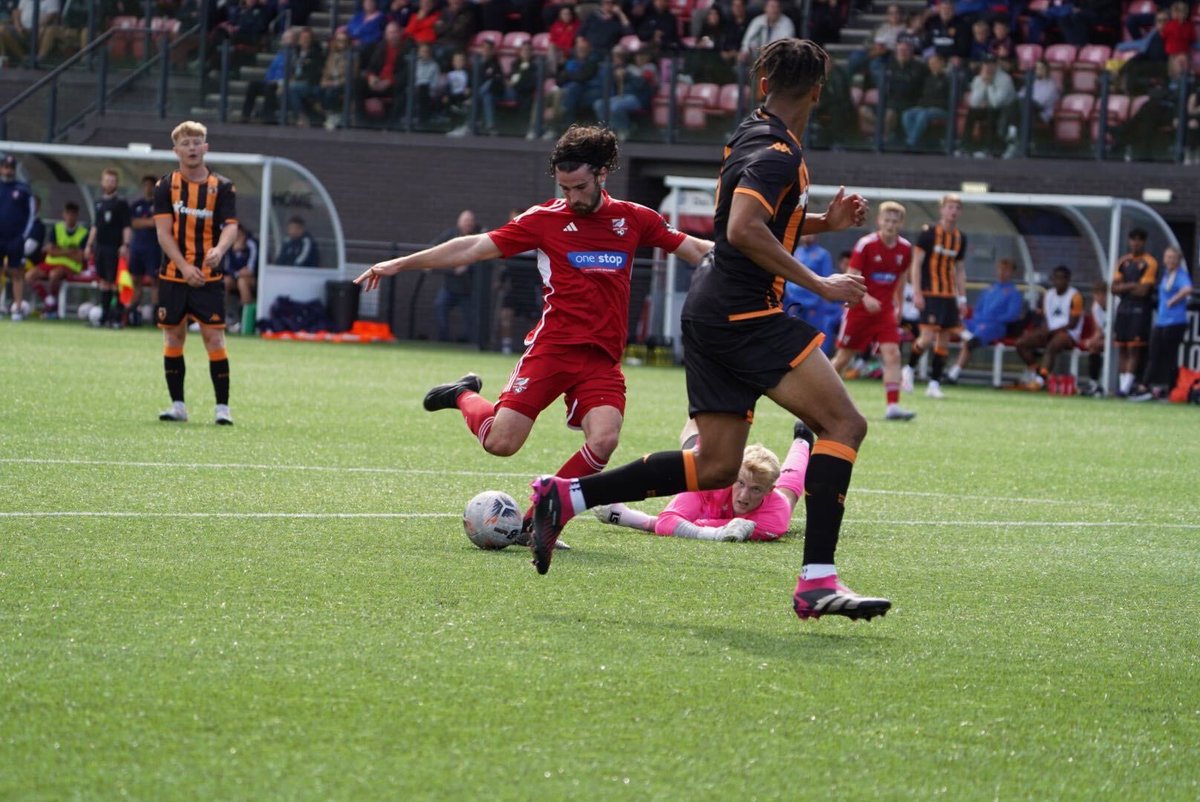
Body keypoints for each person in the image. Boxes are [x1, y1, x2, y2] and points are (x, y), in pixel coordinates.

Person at [526, 41, 888, 624]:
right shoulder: (777, 153)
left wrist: (823, 222)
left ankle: (566, 495)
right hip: (743, 312)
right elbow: (745, 230)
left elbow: (749, 222)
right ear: (819, 91)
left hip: (711, 308)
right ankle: (817, 580)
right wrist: (818, 283)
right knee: (844, 424)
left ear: (762, 81)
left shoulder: (752, 131)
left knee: (719, 466)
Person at [355, 125, 713, 535]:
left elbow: (697, 251)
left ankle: (537, 520)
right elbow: (472, 246)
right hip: (552, 348)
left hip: (600, 358)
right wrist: (400, 264)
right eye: (564, 188)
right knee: (501, 444)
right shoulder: (544, 220)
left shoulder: (634, 219)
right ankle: (463, 395)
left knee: (605, 440)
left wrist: (755, 261)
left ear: (601, 175)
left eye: (578, 187)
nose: (571, 197)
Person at [594, 420, 814, 542]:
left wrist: (626, 517)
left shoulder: (775, 519)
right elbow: (666, 521)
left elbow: (669, 524)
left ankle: (803, 442)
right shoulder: (711, 479)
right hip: (712, 478)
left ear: (768, 491)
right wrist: (714, 534)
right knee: (692, 454)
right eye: (740, 484)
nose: (745, 496)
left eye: (756, 489)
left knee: (789, 493)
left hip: (774, 502)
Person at [153, 121, 239, 426]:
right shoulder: (165, 186)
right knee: (173, 336)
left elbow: (230, 225)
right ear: (176, 150)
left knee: (214, 338)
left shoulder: (223, 186)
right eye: (186, 143)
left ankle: (222, 409)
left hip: (209, 278)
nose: (192, 147)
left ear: (206, 147)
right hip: (174, 276)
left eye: (197, 142)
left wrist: (220, 249)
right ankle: (178, 405)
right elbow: (164, 233)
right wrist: (185, 265)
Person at [831, 200, 915, 420]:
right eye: (886, 220)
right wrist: (865, 297)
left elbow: (902, 277)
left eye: (895, 221)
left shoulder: (905, 249)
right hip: (859, 309)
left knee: (893, 354)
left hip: (885, 311)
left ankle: (893, 407)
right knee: (843, 358)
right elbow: (851, 275)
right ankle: (819, 399)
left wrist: (898, 305)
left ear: (901, 224)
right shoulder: (865, 245)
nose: (890, 224)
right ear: (879, 221)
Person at [903, 192, 967, 399]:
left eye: (957, 208)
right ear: (942, 209)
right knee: (927, 337)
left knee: (944, 340)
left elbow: (959, 269)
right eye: (950, 207)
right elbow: (916, 264)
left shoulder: (960, 238)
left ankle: (934, 383)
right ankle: (909, 369)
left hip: (948, 295)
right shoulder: (928, 234)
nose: (953, 211)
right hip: (930, 293)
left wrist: (962, 298)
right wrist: (917, 292)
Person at [946, 257, 1026, 383]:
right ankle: (942, 363)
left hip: (995, 326)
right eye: (1000, 269)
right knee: (948, 327)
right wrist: (978, 319)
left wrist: (991, 320)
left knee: (970, 342)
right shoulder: (989, 289)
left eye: (1006, 270)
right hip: (976, 323)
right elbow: (978, 308)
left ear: (1012, 273)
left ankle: (952, 375)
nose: (1002, 272)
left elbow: (1012, 314)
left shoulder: (1013, 293)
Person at [1129, 246, 1192, 401]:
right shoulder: (1166, 275)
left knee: (1169, 356)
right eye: (1168, 257)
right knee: (1154, 353)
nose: (1170, 260)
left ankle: (1170, 389)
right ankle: (1145, 386)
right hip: (1162, 321)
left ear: (1178, 260)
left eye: (1173, 257)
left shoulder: (1180, 275)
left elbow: (1187, 289)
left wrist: (1174, 300)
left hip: (1175, 321)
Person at [1015, 264, 1083, 389]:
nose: (1058, 281)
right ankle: (1037, 372)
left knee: (1052, 345)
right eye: (1056, 278)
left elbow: (1073, 324)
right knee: (1021, 343)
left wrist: (1053, 332)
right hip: (1050, 330)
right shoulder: (1048, 294)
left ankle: (1040, 380)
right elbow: (1046, 318)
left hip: (1068, 334)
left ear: (1068, 280)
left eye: (1062, 278)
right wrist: (1044, 330)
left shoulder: (1075, 296)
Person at [83, 168, 133, 328]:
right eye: (107, 180)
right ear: (102, 182)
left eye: (113, 180)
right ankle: (103, 316)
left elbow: (127, 226)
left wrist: (125, 245)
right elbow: (95, 226)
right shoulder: (98, 203)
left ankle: (117, 317)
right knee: (103, 282)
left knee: (115, 282)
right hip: (101, 248)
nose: (109, 183)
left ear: (117, 183)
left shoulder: (121, 203)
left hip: (115, 248)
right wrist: (89, 245)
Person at [1111, 227, 1158, 396]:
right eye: (1133, 239)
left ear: (1144, 242)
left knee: (1134, 348)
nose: (1135, 243)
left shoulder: (1149, 262)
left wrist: (1125, 288)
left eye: (1139, 239)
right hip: (1123, 308)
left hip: (1139, 309)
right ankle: (1122, 385)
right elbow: (1113, 288)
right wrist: (1132, 285)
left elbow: (1144, 291)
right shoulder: (1123, 262)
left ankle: (1126, 387)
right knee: (1122, 347)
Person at [28, 201, 87, 320]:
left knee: (54, 275)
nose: (70, 217)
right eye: (68, 214)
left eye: (73, 214)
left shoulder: (83, 232)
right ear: (64, 215)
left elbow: (80, 257)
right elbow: (50, 251)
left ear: (76, 216)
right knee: (29, 275)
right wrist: (70, 251)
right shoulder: (57, 228)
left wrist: (59, 251)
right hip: (51, 262)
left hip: (70, 265)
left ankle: (52, 307)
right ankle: (49, 300)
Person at [431, 209, 482, 343]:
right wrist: (453, 268)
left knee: (471, 318)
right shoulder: (450, 235)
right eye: (465, 221)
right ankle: (444, 339)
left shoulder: (478, 236)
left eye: (470, 221)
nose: (468, 224)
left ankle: (469, 342)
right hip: (450, 287)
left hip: (468, 289)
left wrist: (468, 266)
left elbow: (484, 259)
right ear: (459, 222)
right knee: (440, 306)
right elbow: (434, 248)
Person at [783, 233, 840, 354]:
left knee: (815, 336)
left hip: (814, 304)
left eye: (811, 234)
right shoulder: (796, 252)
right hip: (794, 302)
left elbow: (826, 279)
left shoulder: (823, 254)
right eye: (805, 233)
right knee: (793, 334)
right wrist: (789, 292)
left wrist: (817, 300)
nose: (807, 236)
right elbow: (788, 274)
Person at [0, 154, 37, 321]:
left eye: (11, 168)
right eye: (5, 167)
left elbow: (31, 214)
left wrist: (23, 236)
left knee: (17, 273)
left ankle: (17, 308)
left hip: (15, 239)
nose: (8, 171)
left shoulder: (22, 190)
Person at [962, 56, 1017, 157]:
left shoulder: (1005, 79)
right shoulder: (978, 78)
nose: (988, 67)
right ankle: (966, 148)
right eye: (986, 64)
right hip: (989, 108)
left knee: (991, 113)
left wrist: (989, 84)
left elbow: (996, 103)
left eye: (991, 64)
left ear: (996, 65)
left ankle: (989, 149)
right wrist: (983, 83)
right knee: (972, 113)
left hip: (1005, 110)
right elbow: (974, 103)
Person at [128, 175, 162, 324]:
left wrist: (144, 222)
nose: (148, 188)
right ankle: (134, 312)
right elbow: (133, 223)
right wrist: (148, 222)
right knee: (136, 280)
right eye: (146, 185)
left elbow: (158, 223)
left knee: (155, 281)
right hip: (137, 247)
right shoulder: (136, 205)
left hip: (152, 247)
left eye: (151, 185)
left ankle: (156, 314)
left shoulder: (160, 205)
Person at [223, 225, 259, 324]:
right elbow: (227, 268)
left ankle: (244, 319)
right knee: (225, 282)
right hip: (236, 276)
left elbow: (251, 269)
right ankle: (221, 317)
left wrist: (244, 273)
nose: (237, 237)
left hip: (251, 279)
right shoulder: (228, 246)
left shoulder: (251, 244)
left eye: (239, 235)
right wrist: (237, 273)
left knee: (242, 282)